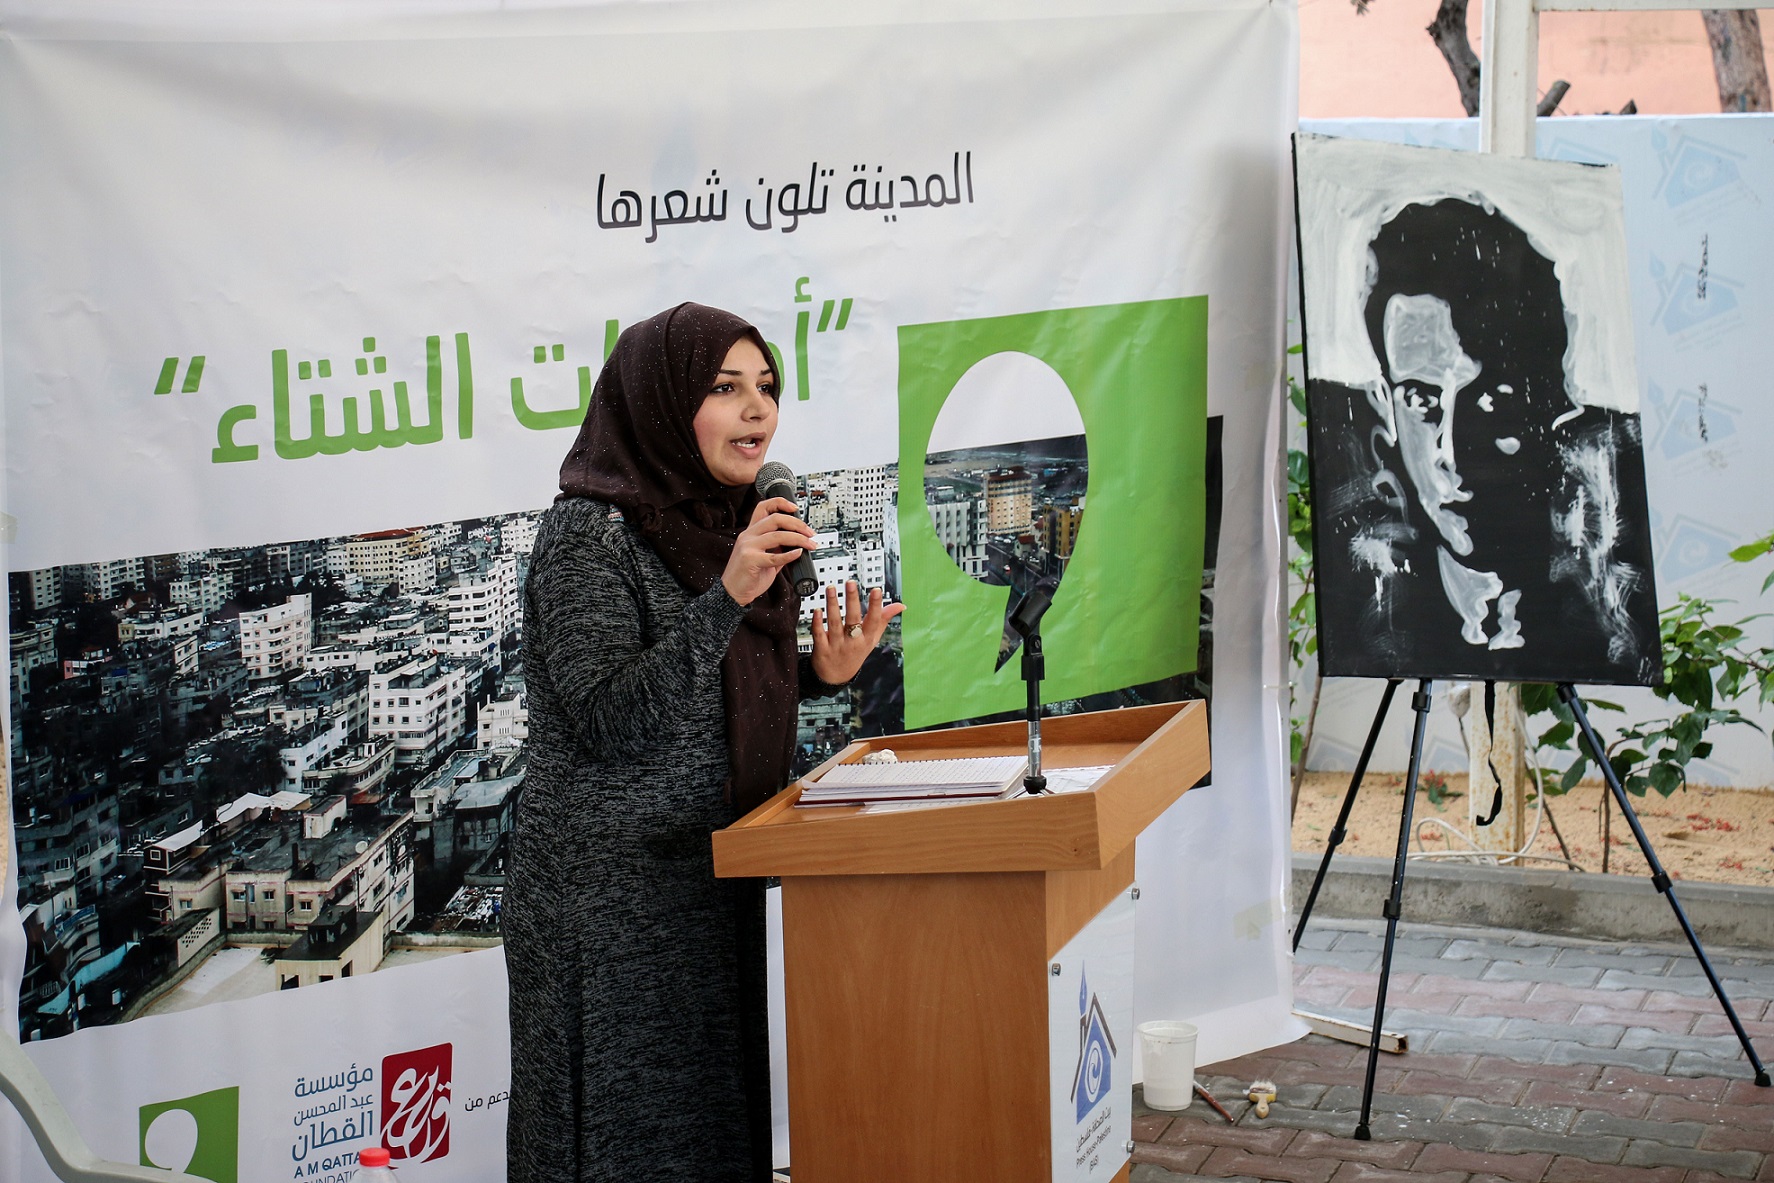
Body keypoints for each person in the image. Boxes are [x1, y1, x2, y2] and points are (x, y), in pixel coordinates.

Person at [503, 303, 903, 1182]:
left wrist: (819, 674)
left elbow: (709, 689)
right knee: (621, 1150)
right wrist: (728, 595)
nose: (757, 409)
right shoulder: (586, 535)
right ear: (658, 402)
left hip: (709, 871)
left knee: (711, 1136)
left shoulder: (727, 520)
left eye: (766, 386)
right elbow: (610, 717)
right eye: (724, 388)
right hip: (605, 904)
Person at [1309, 197, 1659, 687]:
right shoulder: (1378, 631)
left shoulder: (1604, 635)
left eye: (1495, 398)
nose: (1452, 453)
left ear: (1548, 410)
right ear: (1387, 424)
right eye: (1421, 399)